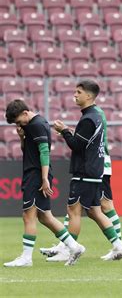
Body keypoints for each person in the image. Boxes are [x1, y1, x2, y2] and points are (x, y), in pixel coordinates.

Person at [40, 81, 122, 261]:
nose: (75, 95)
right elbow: (87, 141)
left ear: (89, 96)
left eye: (78, 92)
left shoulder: (88, 118)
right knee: (95, 211)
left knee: (73, 210)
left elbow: (77, 146)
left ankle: (69, 249)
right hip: (94, 169)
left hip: (85, 170)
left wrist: (64, 132)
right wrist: (69, 132)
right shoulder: (95, 116)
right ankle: (119, 246)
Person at [3, 100, 85, 267]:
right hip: (35, 174)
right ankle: (74, 246)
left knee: (28, 215)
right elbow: (29, 151)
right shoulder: (30, 126)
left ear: (26, 113)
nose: (19, 125)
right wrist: (21, 138)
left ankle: (26, 258)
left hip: (36, 175)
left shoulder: (38, 125)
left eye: (19, 121)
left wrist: (44, 178)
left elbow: (44, 152)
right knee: (45, 217)